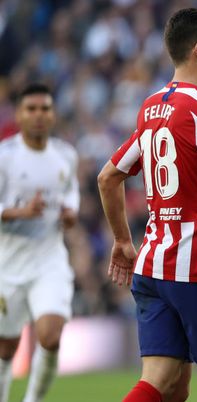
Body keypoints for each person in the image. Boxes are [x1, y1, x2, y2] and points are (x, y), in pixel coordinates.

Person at [97, 8, 197, 402]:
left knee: (164, 381)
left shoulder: (150, 107)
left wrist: (121, 241)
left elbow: (108, 176)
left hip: (151, 263)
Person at [0, 83, 79, 402]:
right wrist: (21, 212)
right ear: (19, 115)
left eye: (45, 109)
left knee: (50, 335)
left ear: (53, 114)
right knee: (6, 347)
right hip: (9, 262)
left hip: (49, 260)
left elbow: (71, 194)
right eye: (31, 109)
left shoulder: (65, 155)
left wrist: (71, 213)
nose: (39, 116)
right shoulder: (5, 156)